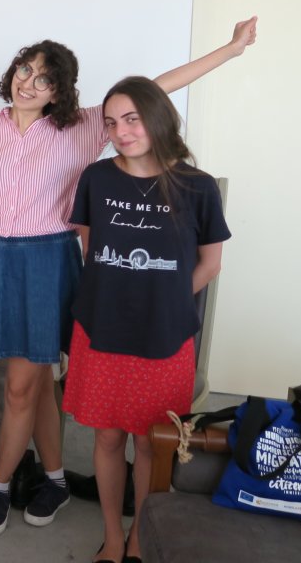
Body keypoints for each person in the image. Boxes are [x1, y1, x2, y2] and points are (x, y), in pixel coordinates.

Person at [0, 17, 257, 541]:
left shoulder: (80, 127)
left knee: (22, 384)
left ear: (60, 92)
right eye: (24, 70)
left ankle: (0, 484)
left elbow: (153, 91)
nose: (28, 83)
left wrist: (230, 50)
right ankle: (55, 478)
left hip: (48, 257)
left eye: (44, 78)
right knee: (38, 379)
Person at [63, 76, 230, 563]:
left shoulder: (197, 186)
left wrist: (164, 300)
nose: (121, 132)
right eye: (112, 122)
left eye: (132, 119)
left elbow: (210, 264)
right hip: (101, 328)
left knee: (151, 443)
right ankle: (113, 536)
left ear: (157, 117)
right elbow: (91, 249)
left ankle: (140, 536)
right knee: (108, 437)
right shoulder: (97, 178)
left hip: (163, 335)